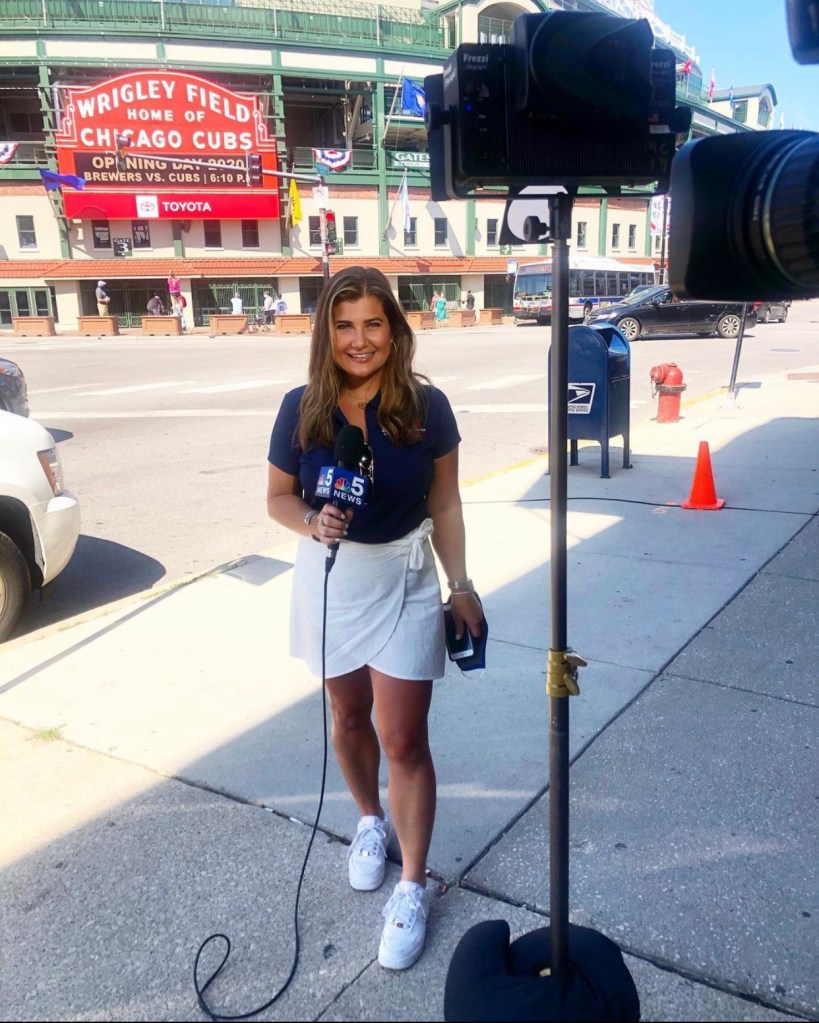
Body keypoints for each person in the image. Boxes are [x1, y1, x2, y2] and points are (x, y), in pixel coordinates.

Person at [266, 266, 482, 972]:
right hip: (331, 576)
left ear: (395, 329)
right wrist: (309, 517)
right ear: (326, 332)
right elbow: (275, 497)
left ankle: (412, 884)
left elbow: (444, 503)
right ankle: (367, 821)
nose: (359, 340)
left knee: (402, 734)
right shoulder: (301, 407)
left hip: (407, 575)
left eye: (372, 324)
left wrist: (461, 584)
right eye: (344, 324)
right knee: (349, 716)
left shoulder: (427, 408)